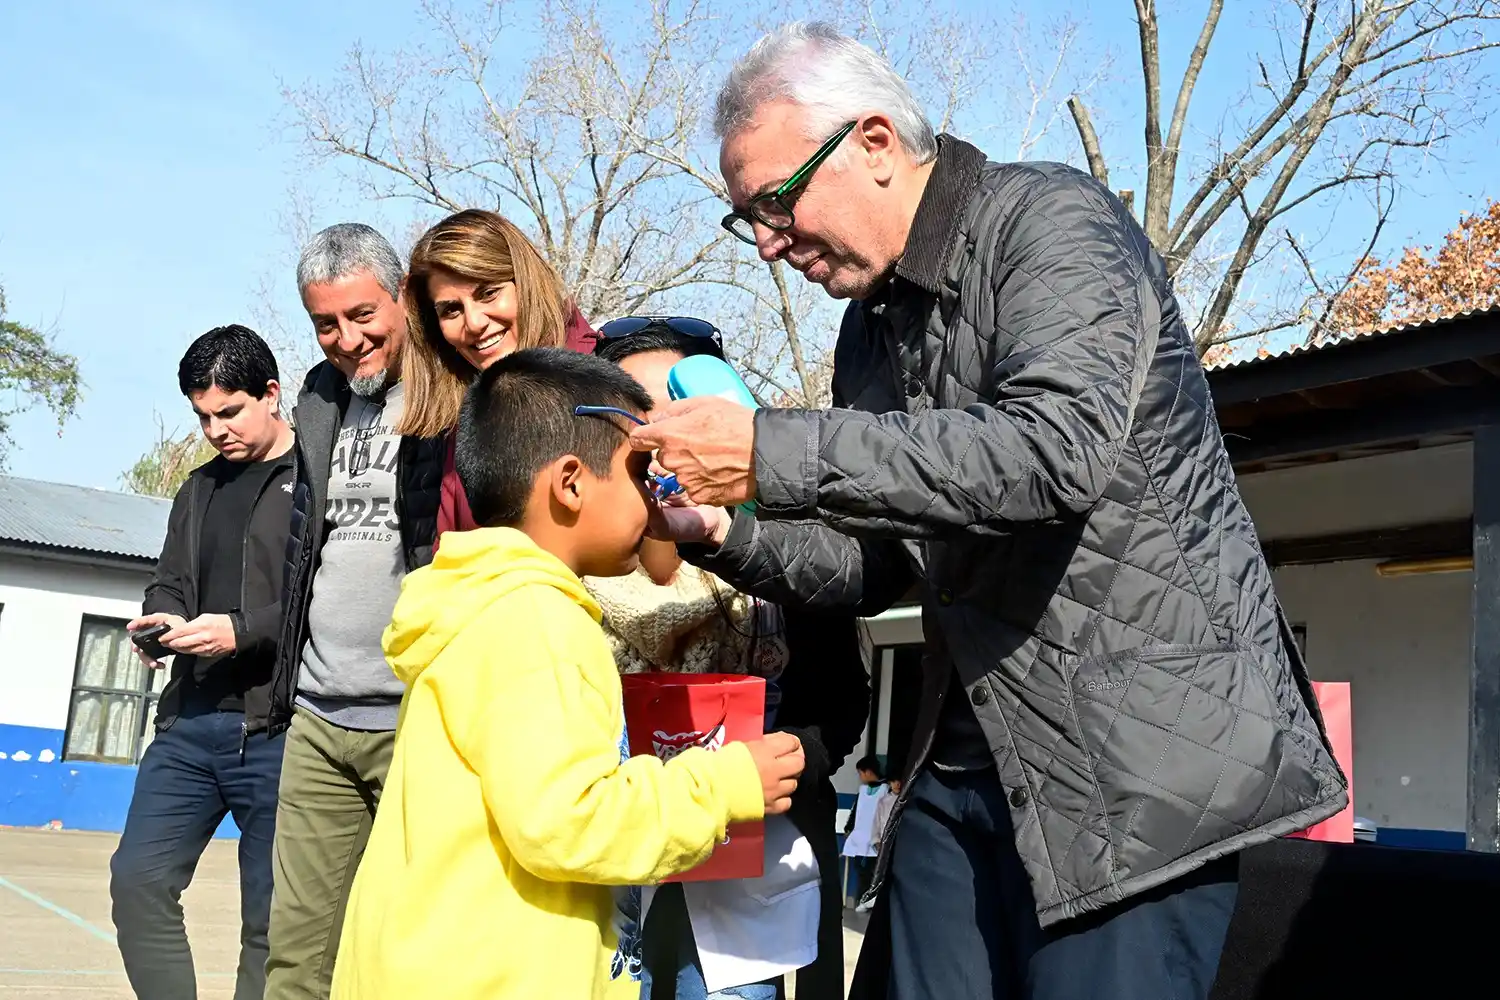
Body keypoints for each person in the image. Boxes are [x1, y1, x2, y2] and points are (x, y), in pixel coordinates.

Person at [635, 21, 1347, 1000]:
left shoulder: (1052, 224)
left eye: (777, 201)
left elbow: (1052, 453)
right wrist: (723, 533)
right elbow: (874, 562)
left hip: (1130, 775)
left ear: (875, 144)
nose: (764, 243)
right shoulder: (868, 333)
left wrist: (766, 447)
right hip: (964, 763)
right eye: (744, 217)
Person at [329, 347, 805, 1000]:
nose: (656, 492)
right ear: (572, 483)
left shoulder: (479, 603)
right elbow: (569, 822)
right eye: (641, 471)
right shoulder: (536, 620)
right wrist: (727, 784)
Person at [593, 321, 868, 1000]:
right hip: (613, 858)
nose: (660, 433)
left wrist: (786, 761)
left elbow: (838, 699)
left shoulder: (788, 540)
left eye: (679, 407)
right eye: (637, 412)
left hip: (752, 865)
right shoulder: (582, 551)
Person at [264, 223, 447, 999]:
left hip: (417, 721)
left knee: (407, 957)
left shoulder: (452, 391)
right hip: (319, 715)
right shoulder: (318, 397)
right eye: (325, 323)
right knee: (296, 957)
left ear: (402, 296)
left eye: (362, 315)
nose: (346, 339)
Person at [111, 325, 295, 1000]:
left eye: (229, 411)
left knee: (272, 925)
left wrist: (240, 633)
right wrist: (159, 620)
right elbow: (170, 582)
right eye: (203, 416)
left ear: (271, 395)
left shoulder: (315, 486)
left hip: (278, 733)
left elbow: (323, 604)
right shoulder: (196, 490)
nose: (215, 429)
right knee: (137, 883)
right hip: (188, 727)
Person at [396, 208, 600, 538]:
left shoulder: (613, 381)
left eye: (488, 292)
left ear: (526, 283)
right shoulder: (463, 421)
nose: (474, 323)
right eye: (451, 310)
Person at [840, 756, 888, 915]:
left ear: (868, 772)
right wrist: (848, 828)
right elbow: (855, 812)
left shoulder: (885, 789)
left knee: (873, 871)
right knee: (860, 870)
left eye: (860, 773)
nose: (860, 776)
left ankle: (871, 901)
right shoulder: (862, 791)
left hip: (876, 838)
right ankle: (863, 899)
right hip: (859, 836)